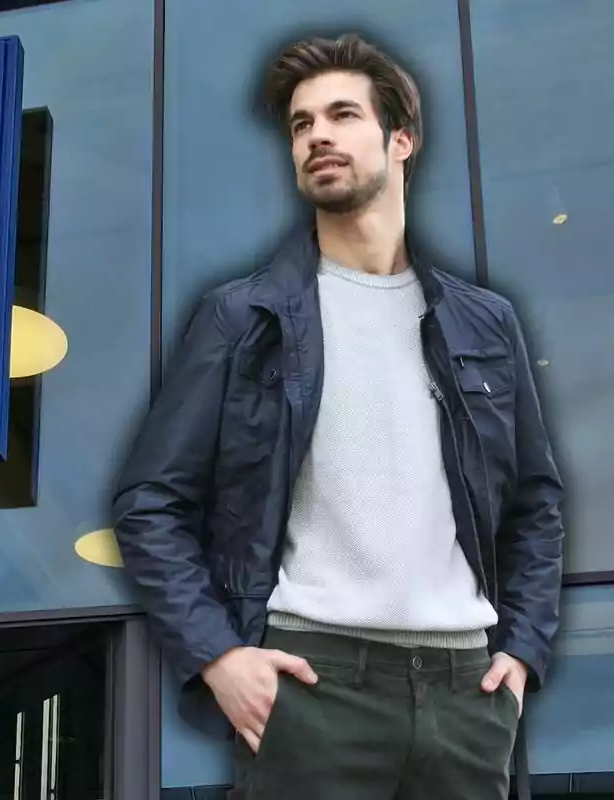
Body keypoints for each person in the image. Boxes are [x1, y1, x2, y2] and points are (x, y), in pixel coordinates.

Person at [112, 33, 564, 799]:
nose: (317, 134)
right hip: (314, 686)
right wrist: (219, 657)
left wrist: (520, 654)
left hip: (466, 694)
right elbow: (149, 503)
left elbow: (535, 504)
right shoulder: (241, 317)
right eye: (300, 123)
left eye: (342, 114)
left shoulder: (485, 324)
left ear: (401, 140)